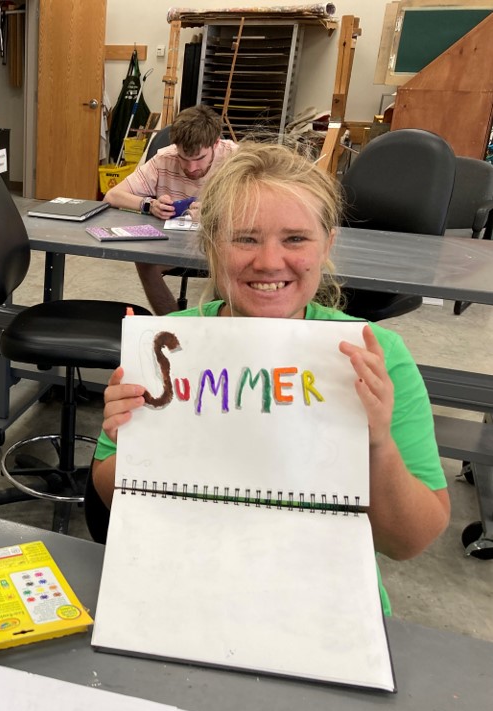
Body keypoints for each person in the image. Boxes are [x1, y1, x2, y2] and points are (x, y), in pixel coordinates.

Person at [90, 143, 450, 613]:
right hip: (184, 586)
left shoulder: (374, 357)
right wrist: (132, 440)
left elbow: (408, 542)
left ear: (327, 245)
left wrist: (378, 444)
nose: (268, 261)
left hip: (323, 603)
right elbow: (111, 496)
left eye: (296, 239)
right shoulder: (169, 350)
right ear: (211, 244)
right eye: (245, 238)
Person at [103, 105, 238, 314]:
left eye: (199, 159)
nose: (191, 169)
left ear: (216, 143)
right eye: (184, 158)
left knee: (233, 265)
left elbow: (261, 209)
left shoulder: (236, 159)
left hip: (221, 244)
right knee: (145, 260)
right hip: (174, 243)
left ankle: (220, 326)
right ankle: (172, 323)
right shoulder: (164, 158)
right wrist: (149, 205)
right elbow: (112, 196)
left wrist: (216, 213)